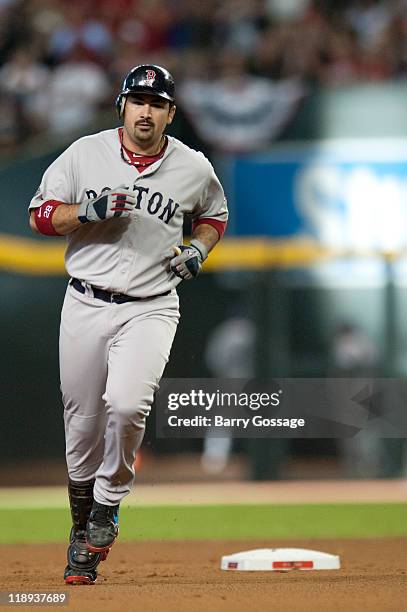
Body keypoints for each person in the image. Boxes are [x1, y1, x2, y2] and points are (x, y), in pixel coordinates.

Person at [28, 64, 228, 585]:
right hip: (86, 302)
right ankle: (81, 536)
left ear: (170, 114)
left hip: (151, 304)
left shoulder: (192, 166)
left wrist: (198, 249)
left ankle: (108, 502)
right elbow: (39, 215)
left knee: (128, 403)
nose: (146, 110)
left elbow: (214, 215)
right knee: (82, 425)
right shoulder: (83, 154)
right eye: (138, 100)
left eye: (156, 103)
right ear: (122, 106)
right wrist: (86, 210)